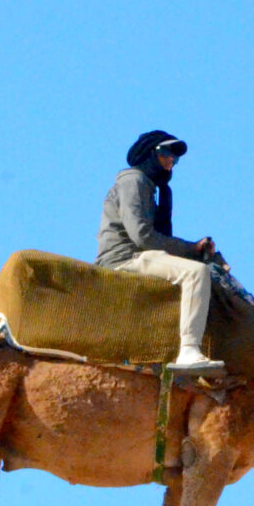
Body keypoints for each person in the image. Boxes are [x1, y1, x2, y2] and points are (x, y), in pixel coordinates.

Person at [97, 129, 226, 375]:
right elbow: (142, 236)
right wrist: (191, 250)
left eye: (175, 158)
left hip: (141, 256)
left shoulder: (150, 187)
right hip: (125, 259)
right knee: (195, 273)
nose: (171, 161)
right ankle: (188, 351)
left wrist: (198, 250)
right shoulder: (133, 180)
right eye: (166, 153)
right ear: (150, 154)